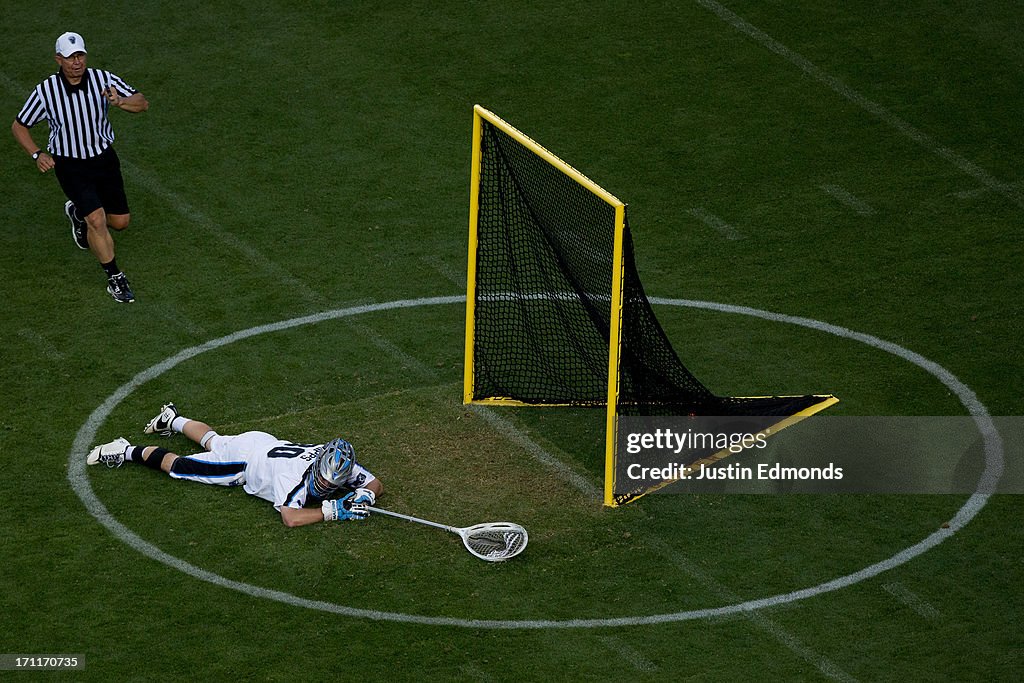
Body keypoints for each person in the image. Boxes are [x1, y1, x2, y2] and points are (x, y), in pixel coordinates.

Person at [12, 31, 149, 303]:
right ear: (58, 59)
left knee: (120, 223)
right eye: (70, 57)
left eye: (80, 55)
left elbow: (142, 102)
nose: (76, 62)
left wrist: (119, 102)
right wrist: (36, 153)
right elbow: (19, 126)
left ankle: (76, 211)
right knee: (96, 221)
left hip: (103, 159)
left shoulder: (103, 79)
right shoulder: (46, 91)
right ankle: (114, 278)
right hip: (70, 164)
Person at [87, 403, 383, 527]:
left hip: (261, 441)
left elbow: (374, 484)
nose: (327, 486)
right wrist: (331, 511)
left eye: (334, 483)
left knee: (214, 440)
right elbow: (291, 517)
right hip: (243, 464)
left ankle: (172, 419)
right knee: (179, 467)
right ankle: (126, 451)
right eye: (325, 480)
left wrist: (365, 495)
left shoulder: (334, 460)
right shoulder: (293, 477)